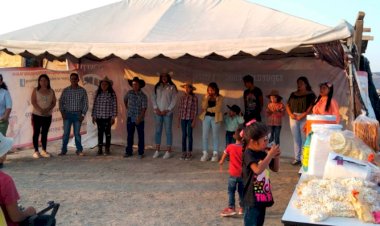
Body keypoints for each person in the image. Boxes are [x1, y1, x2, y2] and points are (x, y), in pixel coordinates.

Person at [0, 133, 56, 226]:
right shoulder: (5, 180)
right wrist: (28, 212)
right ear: (1, 157)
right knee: (48, 220)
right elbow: (15, 217)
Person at [242, 122, 280, 226]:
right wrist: (270, 155)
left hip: (262, 196)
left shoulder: (262, 153)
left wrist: (276, 156)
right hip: (252, 199)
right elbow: (257, 170)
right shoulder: (248, 153)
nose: (267, 142)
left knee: (259, 223)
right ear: (253, 142)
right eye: (265, 140)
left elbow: (275, 169)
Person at [285, 76, 316, 165]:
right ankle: (297, 158)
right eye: (298, 83)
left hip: (305, 117)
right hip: (294, 116)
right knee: (296, 138)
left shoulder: (311, 94)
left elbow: (312, 106)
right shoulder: (293, 94)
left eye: (301, 83)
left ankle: (304, 158)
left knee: (304, 138)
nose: (299, 85)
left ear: (306, 84)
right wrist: (291, 114)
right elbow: (287, 105)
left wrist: (303, 115)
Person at [58, 73, 88, 156]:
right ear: (70, 80)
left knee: (77, 133)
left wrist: (82, 115)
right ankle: (63, 150)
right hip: (67, 114)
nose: (73, 80)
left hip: (78, 115)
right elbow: (61, 102)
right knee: (66, 133)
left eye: (75, 79)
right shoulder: (66, 90)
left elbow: (85, 104)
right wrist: (62, 113)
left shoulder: (82, 90)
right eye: (72, 79)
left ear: (78, 80)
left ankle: (79, 150)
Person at [219, 126, 244, 217]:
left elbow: (225, 154)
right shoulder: (245, 149)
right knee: (242, 192)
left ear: (234, 136)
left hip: (233, 174)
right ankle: (242, 208)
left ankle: (231, 208)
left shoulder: (230, 146)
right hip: (242, 175)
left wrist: (221, 161)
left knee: (231, 191)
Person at [152, 72, 178, 159]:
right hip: (158, 113)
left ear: (168, 77)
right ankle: (157, 150)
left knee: (168, 131)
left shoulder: (172, 87)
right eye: (162, 76)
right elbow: (153, 97)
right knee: (158, 131)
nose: (164, 78)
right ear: (160, 77)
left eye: (165, 76)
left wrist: (168, 109)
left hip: (167, 113)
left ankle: (168, 151)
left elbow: (174, 99)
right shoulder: (157, 86)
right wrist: (156, 108)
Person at [31, 74, 56, 159]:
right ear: (39, 82)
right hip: (37, 115)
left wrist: (47, 109)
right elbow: (33, 102)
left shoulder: (51, 91)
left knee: (44, 133)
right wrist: (40, 110)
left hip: (47, 115)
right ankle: (36, 151)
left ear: (48, 81)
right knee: (36, 132)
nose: (43, 82)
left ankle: (44, 150)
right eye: (41, 80)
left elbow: (54, 102)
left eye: (45, 80)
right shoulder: (35, 90)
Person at [92, 76, 117, 156]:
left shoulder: (112, 94)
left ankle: (107, 149)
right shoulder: (97, 93)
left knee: (108, 134)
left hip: (108, 117)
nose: (104, 86)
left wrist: (113, 117)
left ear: (109, 85)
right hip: (99, 117)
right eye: (102, 84)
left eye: (106, 84)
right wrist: (93, 116)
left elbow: (114, 106)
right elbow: (95, 105)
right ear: (100, 85)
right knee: (100, 133)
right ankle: (100, 149)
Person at [199, 82, 224, 162]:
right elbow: (203, 107)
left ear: (216, 90)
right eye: (209, 90)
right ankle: (205, 153)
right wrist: (206, 99)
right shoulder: (205, 97)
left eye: (212, 90)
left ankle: (215, 153)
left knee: (215, 136)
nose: (210, 92)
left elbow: (218, 109)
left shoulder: (220, 97)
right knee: (204, 135)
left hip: (215, 118)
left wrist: (208, 109)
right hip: (206, 117)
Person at [124, 77, 147, 159]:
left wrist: (139, 118)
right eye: (133, 84)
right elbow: (125, 100)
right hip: (130, 117)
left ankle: (141, 152)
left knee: (141, 136)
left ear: (139, 85)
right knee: (129, 135)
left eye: (136, 84)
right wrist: (127, 108)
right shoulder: (129, 93)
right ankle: (128, 151)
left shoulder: (143, 96)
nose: (135, 86)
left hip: (139, 118)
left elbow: (144, 108)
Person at [177, 82, 198, 160]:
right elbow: (180, 109)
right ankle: (183, 152)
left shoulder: (194, 98)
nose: (187, 89)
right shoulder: (182, 97)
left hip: (190, 118)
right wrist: (178, 120)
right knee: (184, 135)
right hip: (183, 118)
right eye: (185, 87)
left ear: (191, 89)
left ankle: (189, 152)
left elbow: (195, 110)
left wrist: (194, 121)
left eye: (188, 87)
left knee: (189, 135)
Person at [0, 74, 12, 168]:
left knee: (1, 141)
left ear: (1, 82)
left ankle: (0, 161)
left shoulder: (5, 93)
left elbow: (9, 107)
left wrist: (5, 117)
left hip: (1, 121)